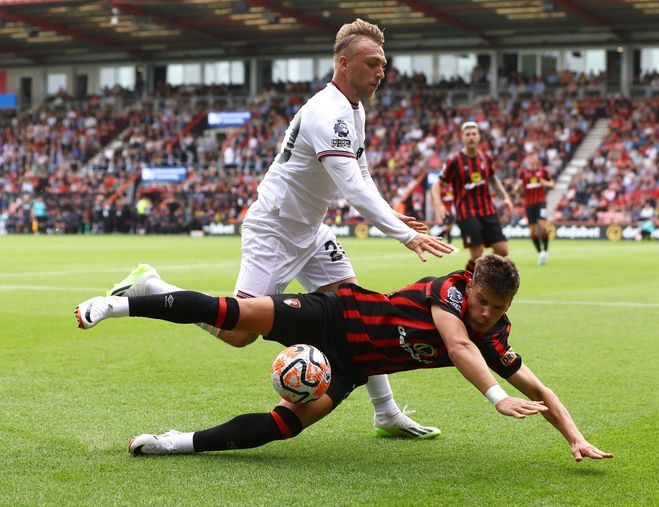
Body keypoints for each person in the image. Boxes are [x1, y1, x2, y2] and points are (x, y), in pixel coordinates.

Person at [108, 18, 453, 439]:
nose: (381, 72)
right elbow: (351, 188)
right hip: (275, 228)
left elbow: (360, 172)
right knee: (240, 335)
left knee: (355, 309)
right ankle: (151, 287)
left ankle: (385, 411)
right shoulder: (328, 113)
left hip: (309, 228)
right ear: (344, 63)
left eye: (384, 64)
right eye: (372, 63)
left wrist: (393, 214)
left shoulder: (353, 109)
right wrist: (406, 235)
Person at [76, 254, 613, 462]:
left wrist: (575, 437)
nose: (484, 313)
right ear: (469, 287)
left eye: (496, 309)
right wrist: (495, 397)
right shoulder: (449, 289)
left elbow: (541, 391)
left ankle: (173, 443)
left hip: (352, 366)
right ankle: (118, 304)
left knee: (286, 427)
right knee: (231, 315)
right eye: (480, 301)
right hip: (335, 315)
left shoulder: (495, 335)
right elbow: (456, 346)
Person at [431, 121, 513, 273]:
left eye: (474, 134)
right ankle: (468, 283)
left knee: (502, 250)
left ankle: (482, 275)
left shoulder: (487, 158)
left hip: (487, 210)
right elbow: (437, 185)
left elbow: (493, 180)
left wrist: (505, 197)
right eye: (467, 134)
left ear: (479, 137)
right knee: (477, 254)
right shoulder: (454, 161)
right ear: (462, 137)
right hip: (466, 213)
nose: (471, 137)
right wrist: (438, 204)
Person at [513, 151, 554, 265]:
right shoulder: (523, 173)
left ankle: (545, 251)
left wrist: (545, 182)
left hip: (541, 202)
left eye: (533, 157)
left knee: (542, 225)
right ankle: (540, 253)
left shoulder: (543, 171)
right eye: (529, 157)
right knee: (532, 231)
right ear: (527, 159)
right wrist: (517, 187)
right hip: (529, 204)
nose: (531, 159)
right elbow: (516, 188)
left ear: (537, 159)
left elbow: (552, 184)